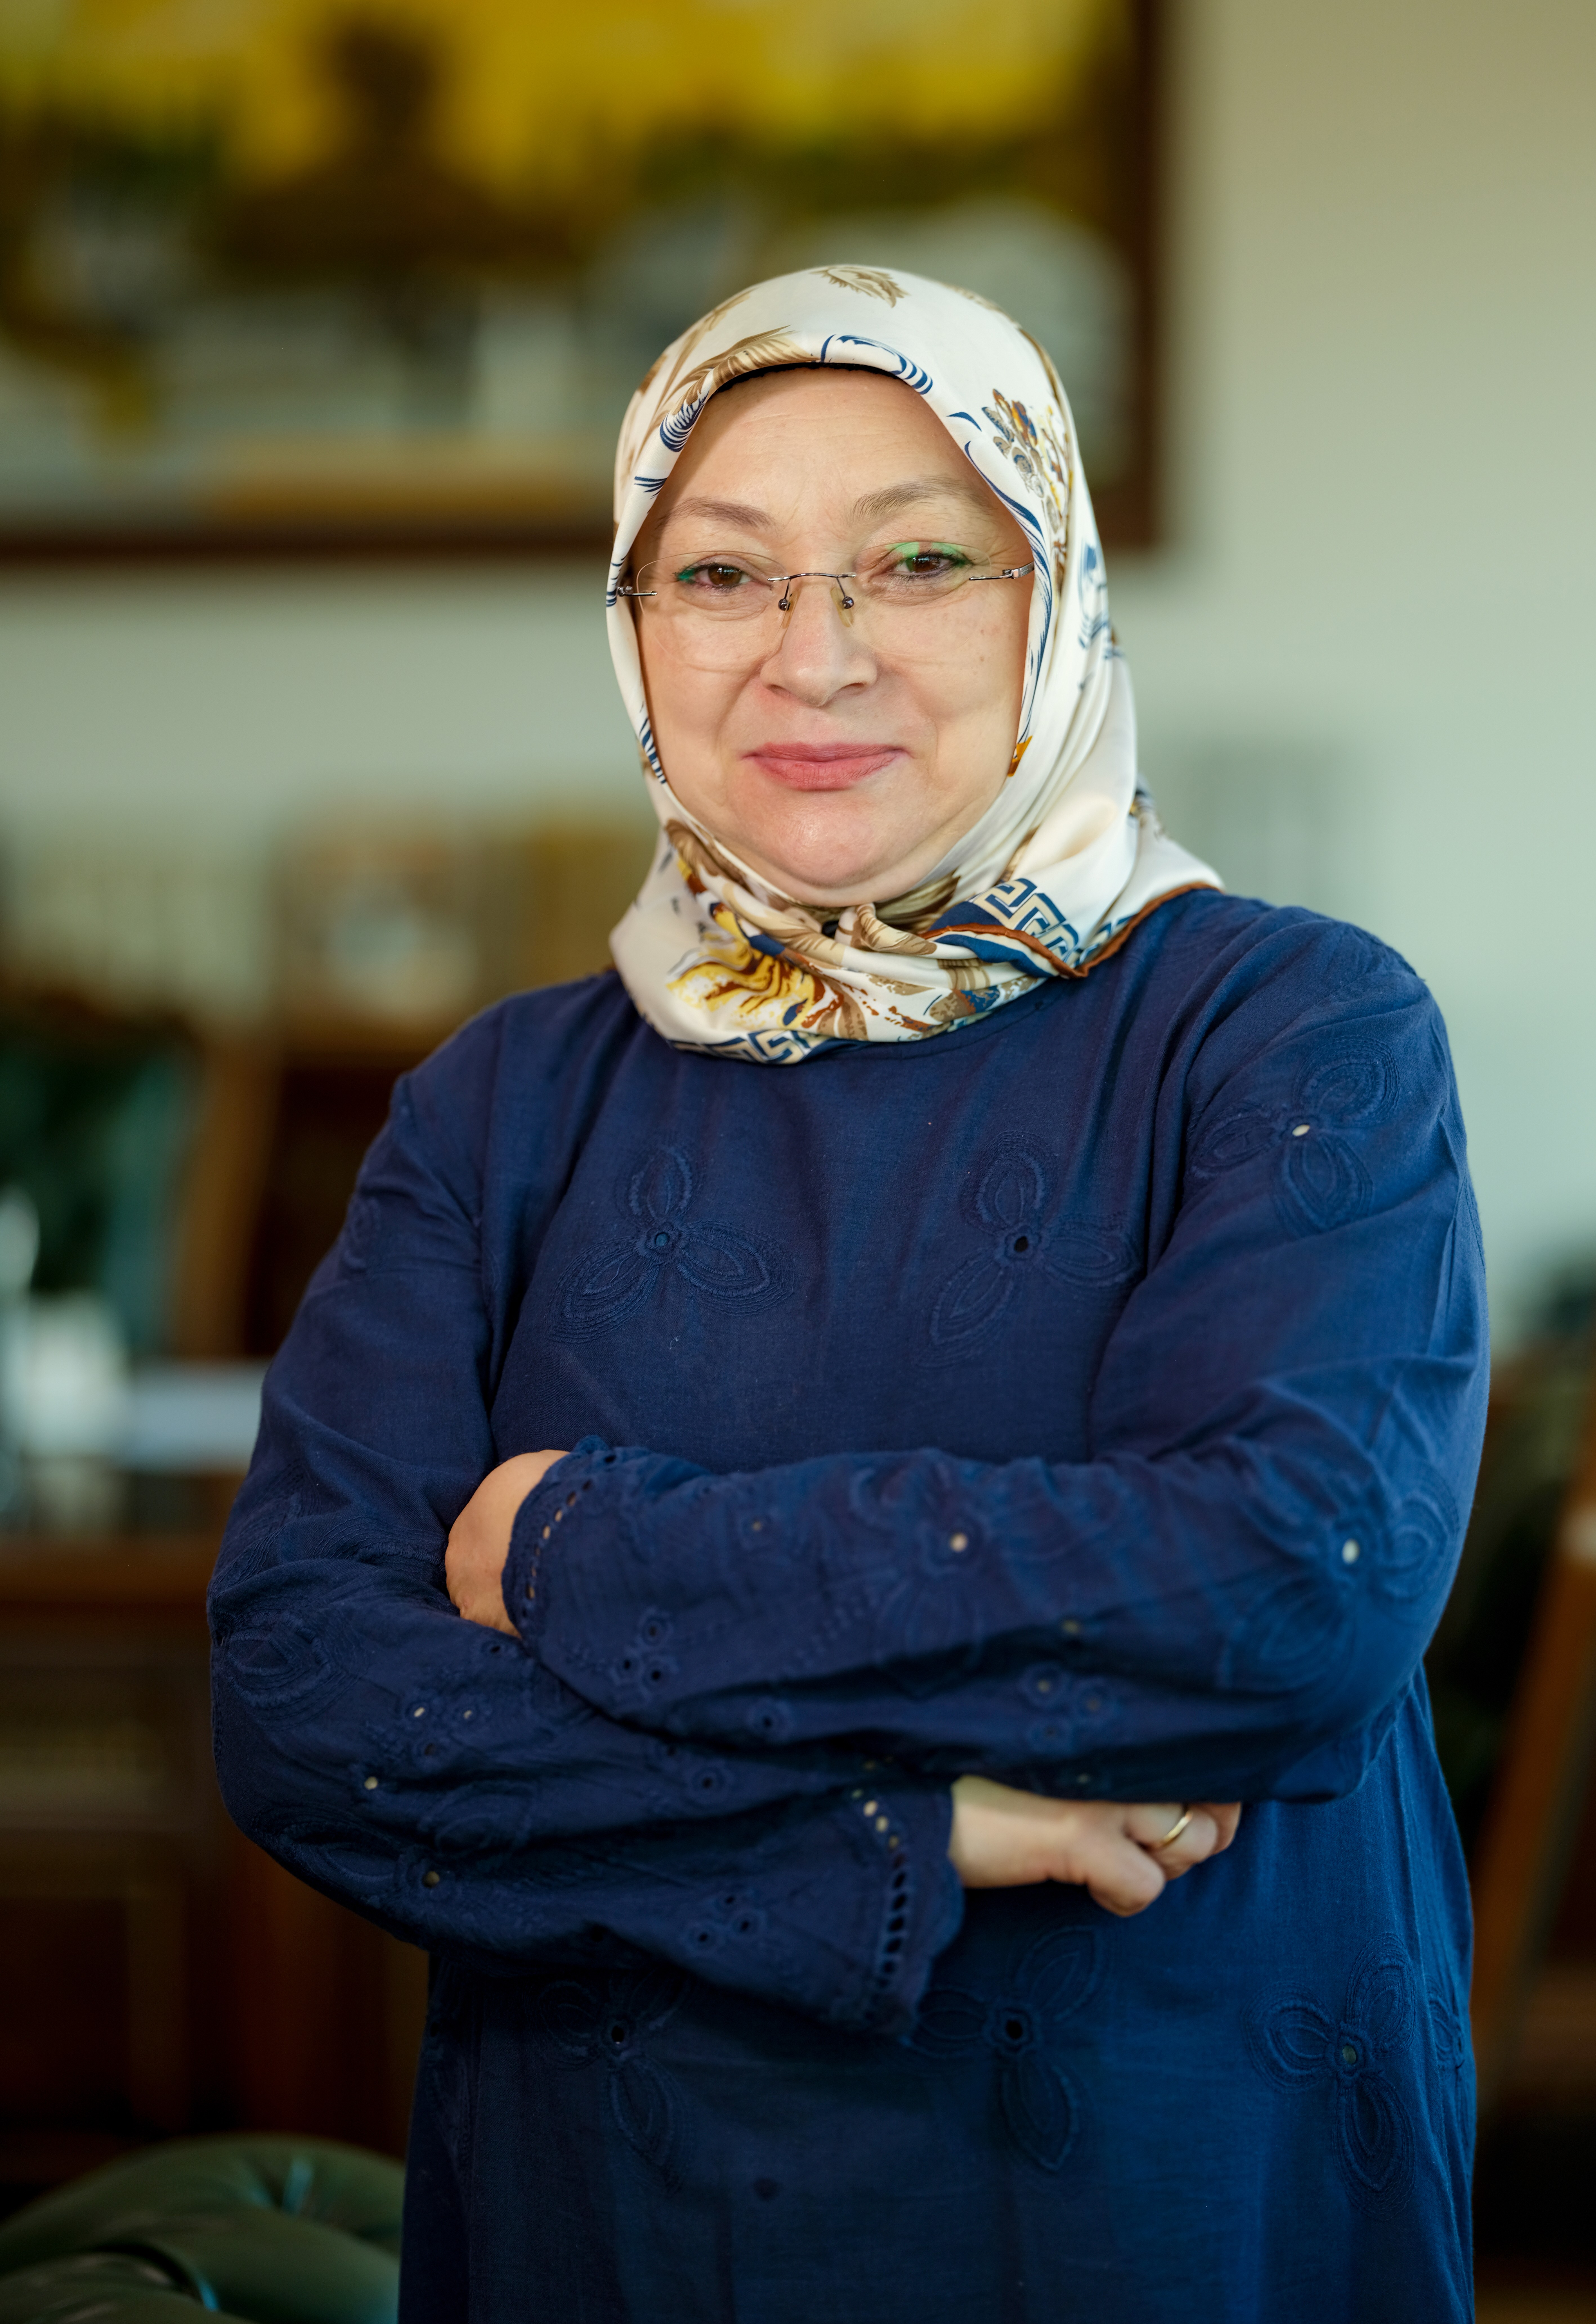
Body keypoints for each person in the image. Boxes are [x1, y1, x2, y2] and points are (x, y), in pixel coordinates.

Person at [210, 267, 1487, 2323]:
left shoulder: (1284, 1025)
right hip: (615, 2218)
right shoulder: (503, 1103)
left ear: (1050, 589)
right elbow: (304, 1703)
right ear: (635, 636)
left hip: (1162, 2196)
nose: (820, 655)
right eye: (723, 574)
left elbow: (1291, 1583)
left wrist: (572, 1543)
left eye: (918, 561)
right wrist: (906, 1831)